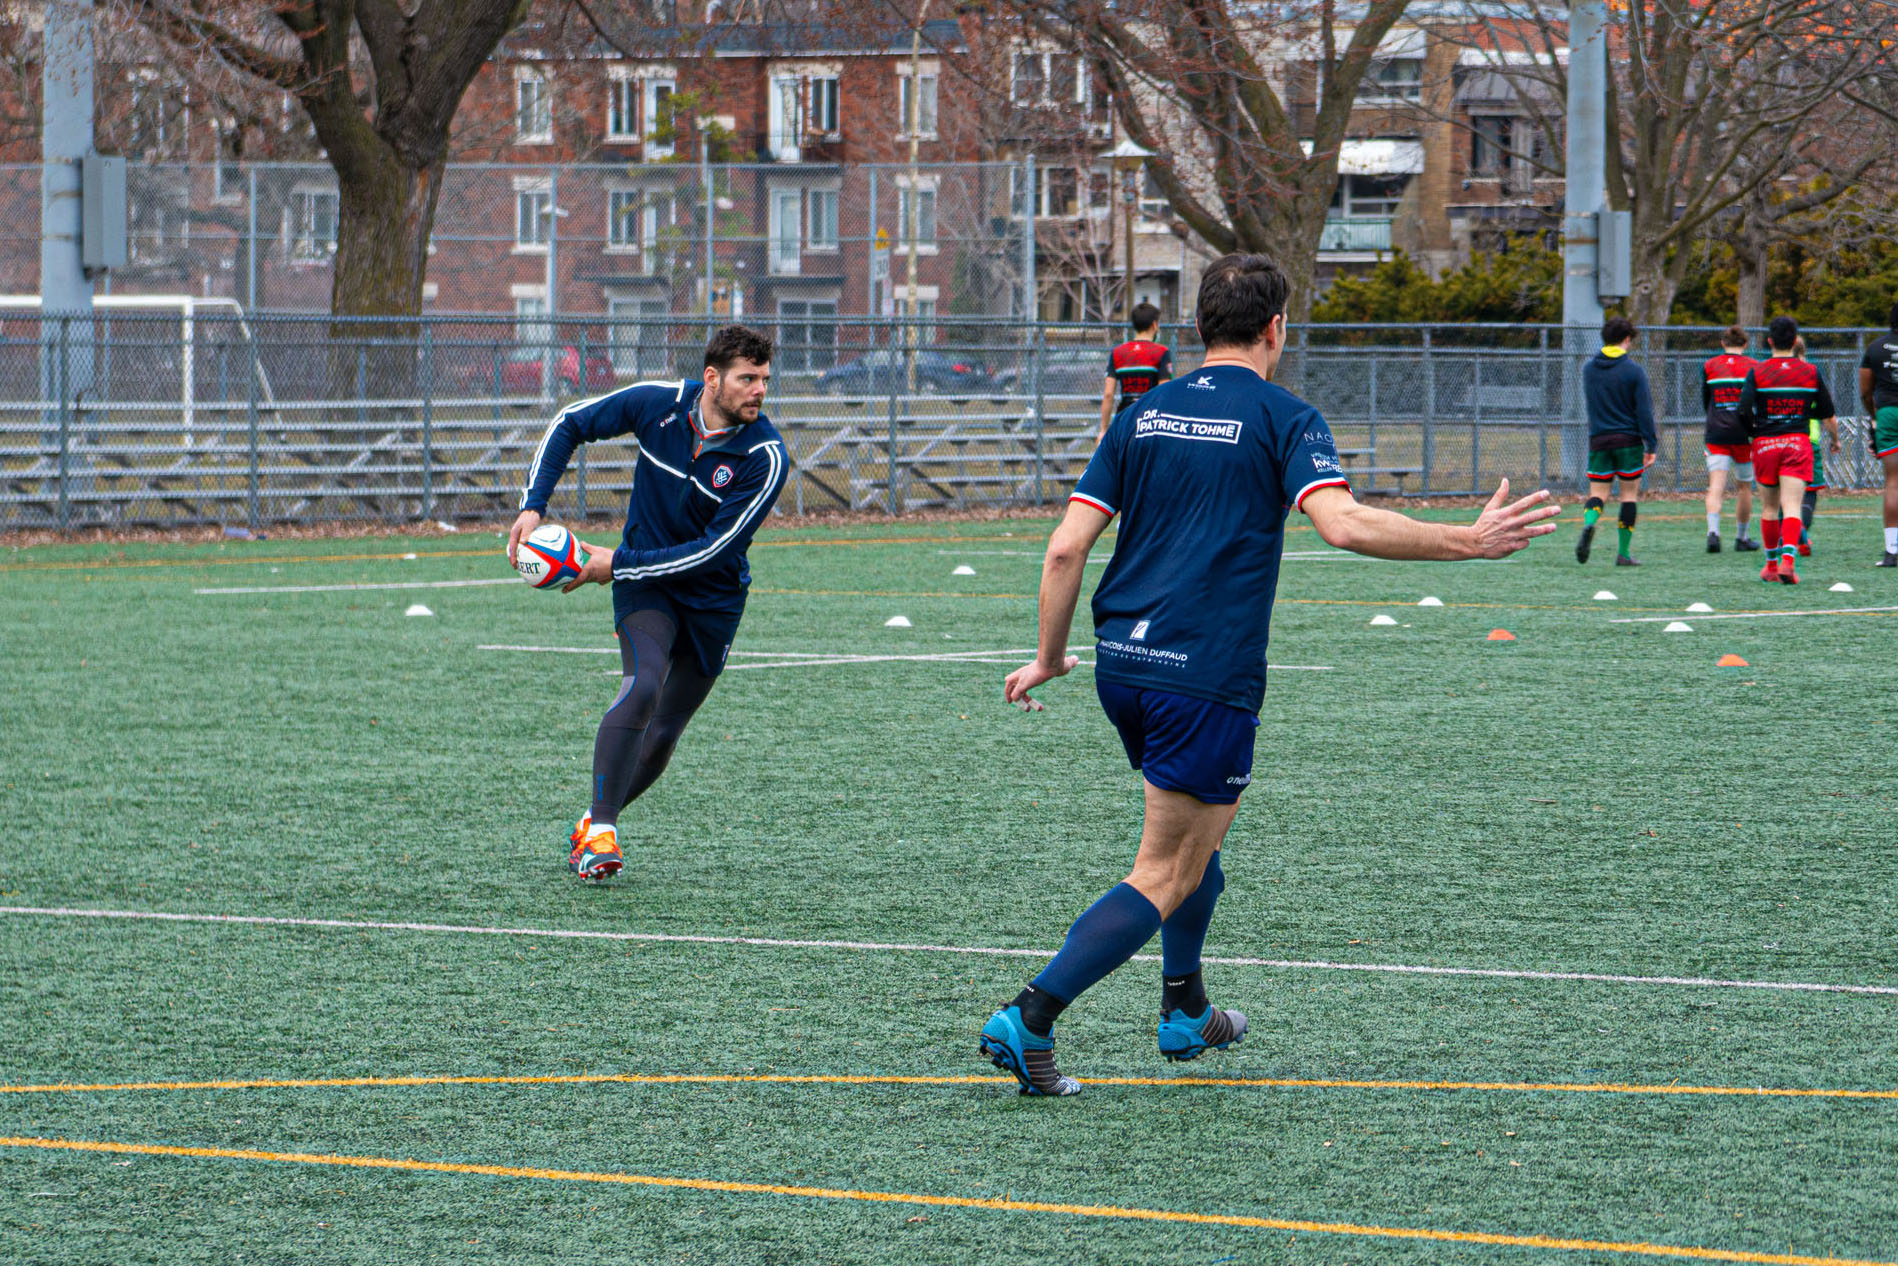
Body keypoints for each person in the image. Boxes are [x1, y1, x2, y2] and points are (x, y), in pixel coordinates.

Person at [978, 254, 1560, 1096]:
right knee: (1166, 866)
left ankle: (1185, 1007)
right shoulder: (1285, 416)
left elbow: (1067, 546)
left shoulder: (1141, 414)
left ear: (1199, 328)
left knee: (1200, 840)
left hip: (1124, 668)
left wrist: (1046, 655)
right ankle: (1030, 1017)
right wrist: (1465, 540)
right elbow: (1344, 524)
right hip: (1204, 673)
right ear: (1276, 328)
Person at [507, 326, 788, 880]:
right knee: (642, 685)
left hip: (712, 599)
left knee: (663, 733)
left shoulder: (765, 457)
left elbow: (713, 552)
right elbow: (571, 423)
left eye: (764, 380)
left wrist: (615, 565)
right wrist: (533, 506)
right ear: (712, 379)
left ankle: (592, 819)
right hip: (647, 589)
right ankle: (604, 837)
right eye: (747, 379)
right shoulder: (659, 405)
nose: (759, 391)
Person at [1738, 316, 1835, 585]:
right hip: (1797, 443)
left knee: (1769, 508)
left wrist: (1754, 433)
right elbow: (1826, 410)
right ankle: (1788, 563)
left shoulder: (1757, 371)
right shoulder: (1811, 372)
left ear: (1769, 341)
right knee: (1792, 506)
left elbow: (1744, 409)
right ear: (1795, 342)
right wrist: (1803, 411)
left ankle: (1770, 566)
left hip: (1766, 444)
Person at [1576, 317, 1657, 566]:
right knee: (1628, 496)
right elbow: (1644, 410)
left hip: (1599, 439)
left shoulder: (1589, 369)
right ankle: (1623, 553)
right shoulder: (1633, 371)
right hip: (1628, 440)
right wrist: (1651, 444)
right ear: (1626, 339)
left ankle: (1590, 524)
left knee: (1598, 493)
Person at [1701, 326, 1760, 554]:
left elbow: (1706, 400)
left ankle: (1713, 533)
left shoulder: (1709, 365)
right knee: (1744, 486)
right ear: (1745, 345)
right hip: (1744, 434)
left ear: (1723, 344)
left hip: (1717, 432)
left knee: (1716, 485)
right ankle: (1741, 537)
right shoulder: (1753, 366)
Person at [1791, 336, 1841, 557]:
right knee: (1809, 492)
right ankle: (1800, 530)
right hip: (1808, 441)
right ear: (1804, 351)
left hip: (1780, 439)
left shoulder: (1774, 374)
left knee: (1784, 493)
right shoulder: (1811, 374)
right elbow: (1829, 416)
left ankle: (1786, 538)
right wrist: (1835, 439)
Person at [1098, 302, 1174, 441]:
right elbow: (1165, 391)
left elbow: (1108, 394)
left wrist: (1103, 429)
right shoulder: (1161, 352)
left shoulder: (1117, 353)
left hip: (1124, 420)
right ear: (1154, 325)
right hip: (1151, 422)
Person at [1858, 303, 1898, 567]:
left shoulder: (1874, 348)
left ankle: (1892, 550)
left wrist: (1874, 416)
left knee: (1893, 483)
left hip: (1888, 414)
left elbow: (1865, 391)